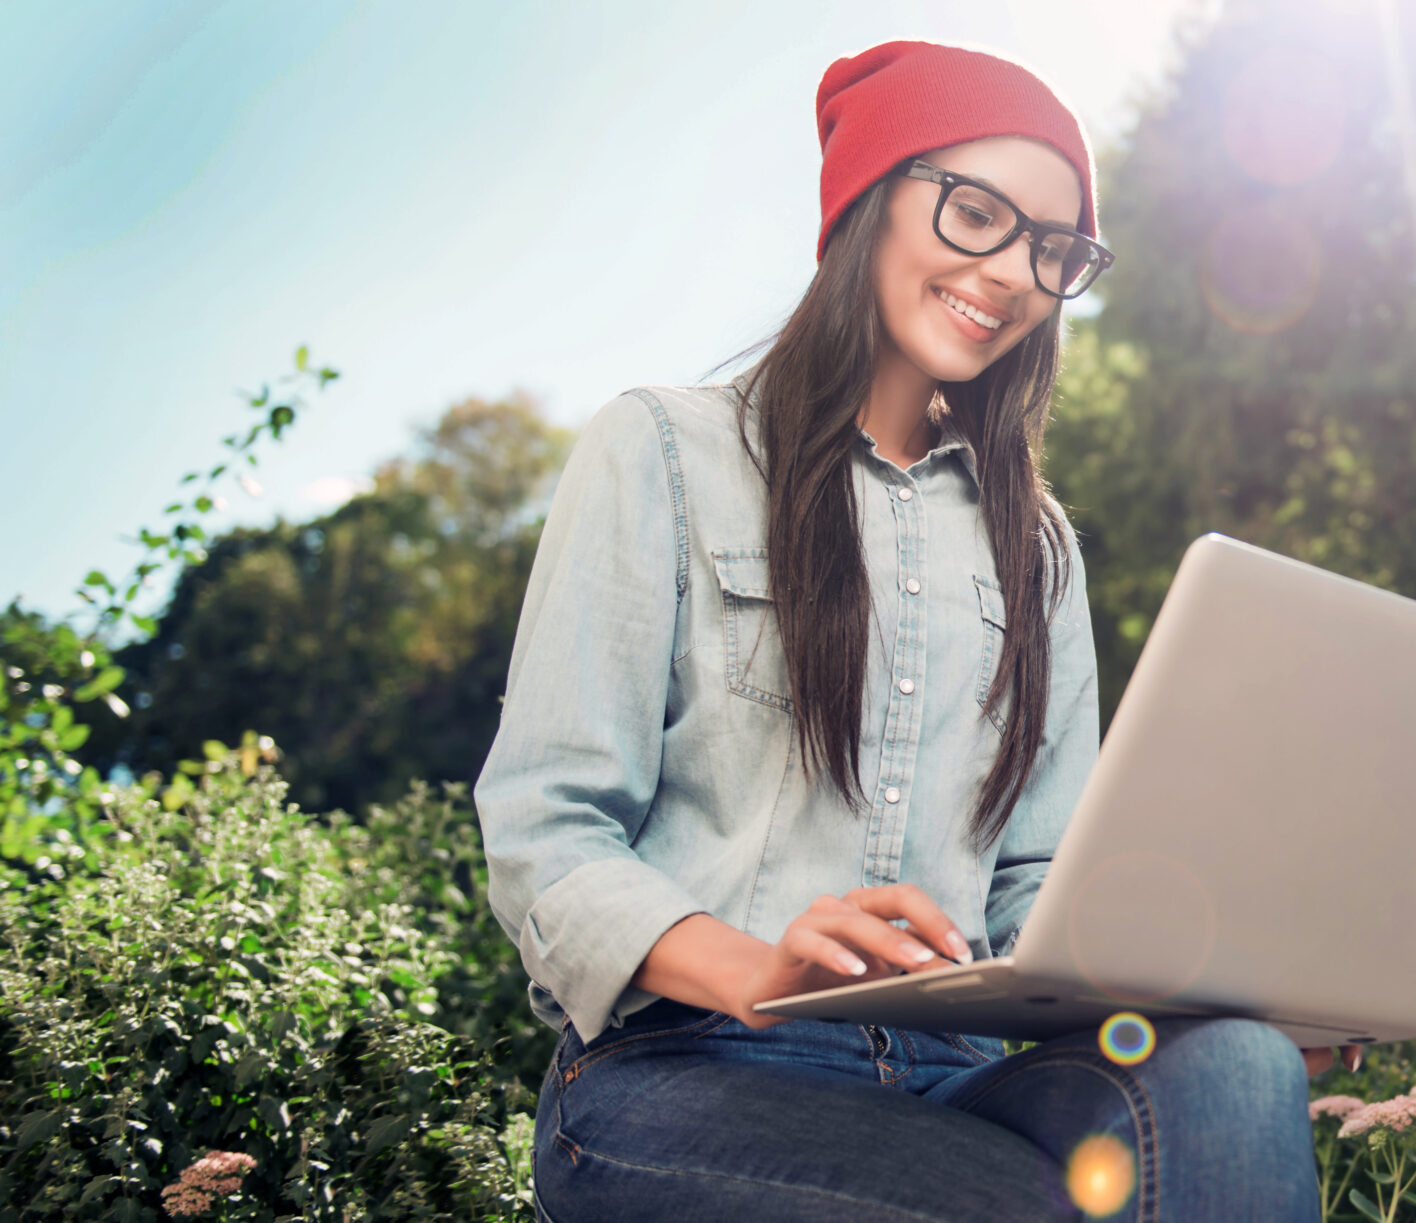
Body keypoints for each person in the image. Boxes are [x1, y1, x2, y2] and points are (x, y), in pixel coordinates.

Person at [475, 41, 1333, 1222]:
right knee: (1034, 1203)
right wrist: (754, 969)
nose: (1014, 272)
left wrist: (1216, 987)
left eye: (1051, 247)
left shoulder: (1038, 549)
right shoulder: (663, 452)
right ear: (872, 201)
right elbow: (545, 829)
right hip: (686, 1069)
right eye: (976, 211)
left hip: (958, 1075)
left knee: (1236, 1067)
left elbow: (1038, 883)